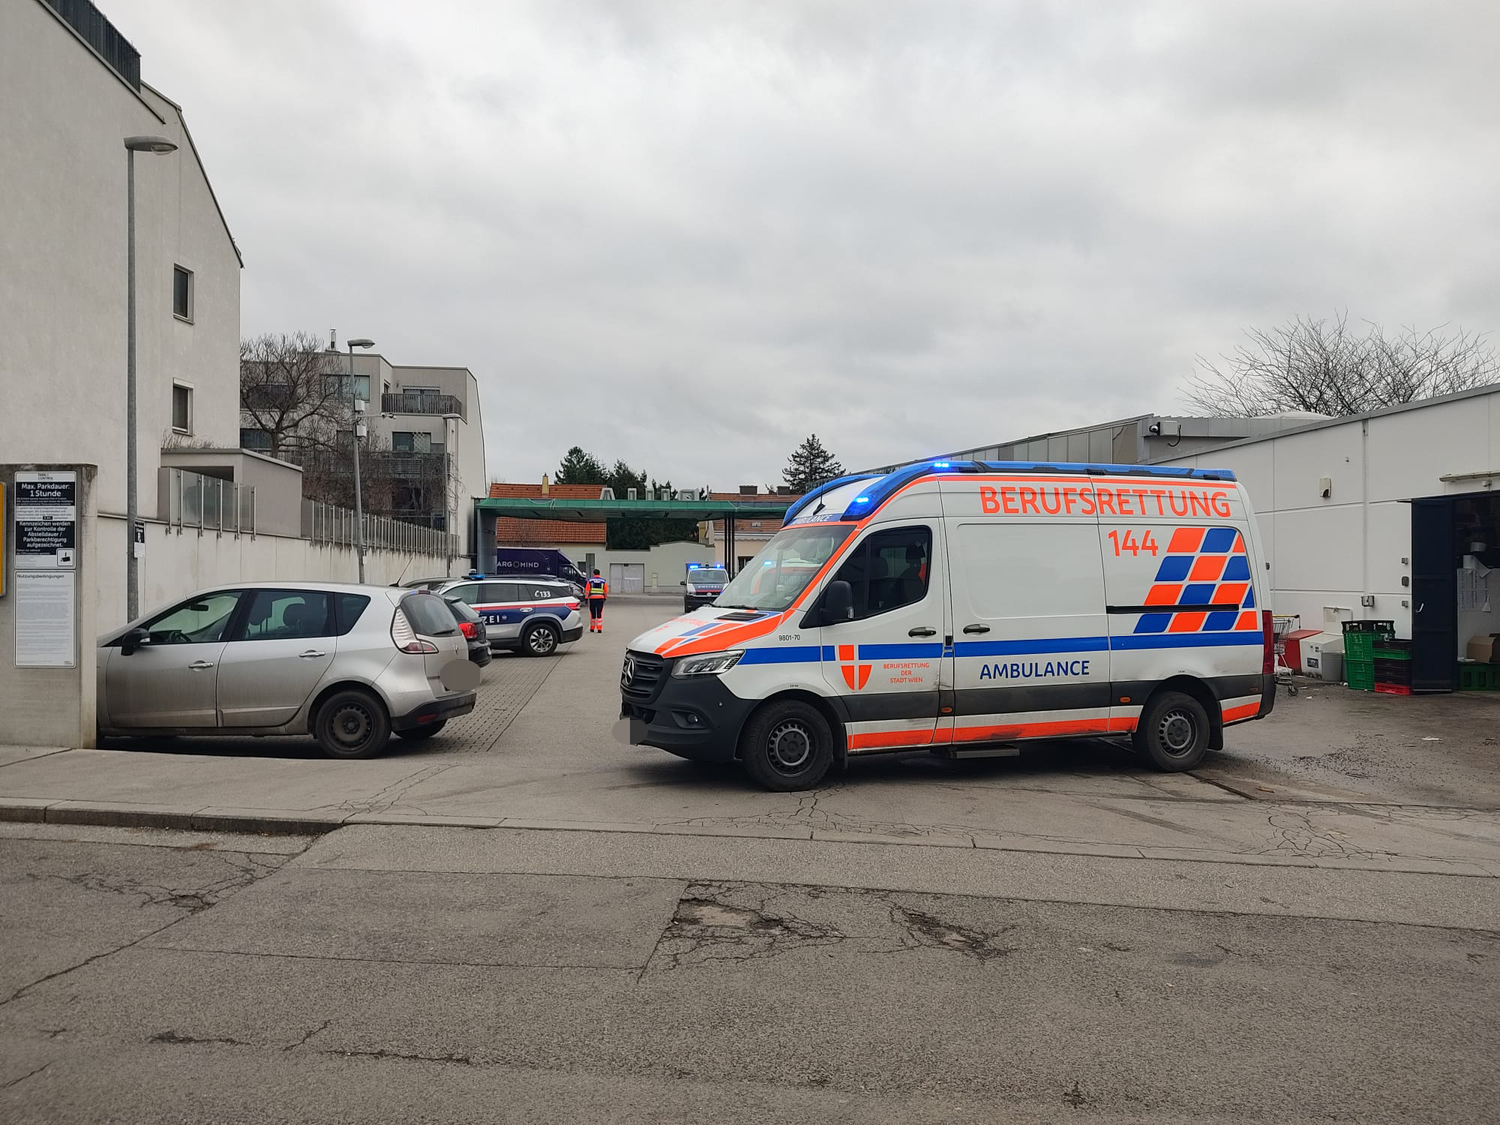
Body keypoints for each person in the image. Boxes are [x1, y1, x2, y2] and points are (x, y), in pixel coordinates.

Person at [585, 569, 609, 633]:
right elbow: (606, 591)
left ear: (594, 574)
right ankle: (599, 629)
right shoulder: (603, 581)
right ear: (599, 573)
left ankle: (592, 628)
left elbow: (587, 590)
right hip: (600, 598)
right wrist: (605, 597)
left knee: (592, 613)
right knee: (599, 613)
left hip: (592, 598)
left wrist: (586, 598)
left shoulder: (590, 581)